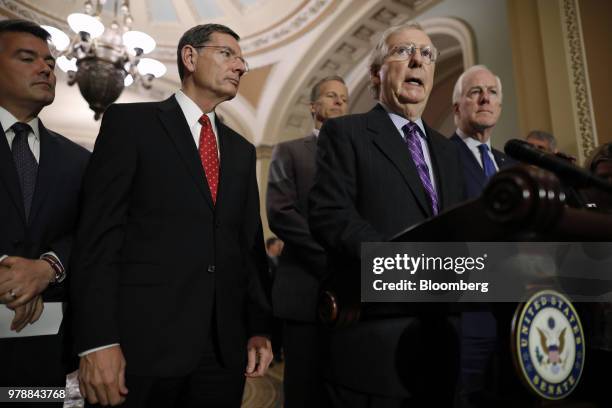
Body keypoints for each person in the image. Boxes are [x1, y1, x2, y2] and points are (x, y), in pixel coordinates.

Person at [70, 23, 272, 408]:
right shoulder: (131, 125)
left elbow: (248, 246)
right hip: (141, 348)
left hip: (222, 352)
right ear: (190, 57)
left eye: (242, 58)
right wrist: (97, 340)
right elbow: (98, 239)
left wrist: (258, 326)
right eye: (228, 53)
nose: (240, 66)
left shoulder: (242, 150)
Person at [308, 23, 464, 407]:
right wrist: (404, 267)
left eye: (427, 54)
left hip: (443, 338)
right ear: (377, 74)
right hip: (376, 337)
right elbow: (331, 215)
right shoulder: (346, 133)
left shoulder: (448, 151)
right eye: (403, 51)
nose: (418, 60)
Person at [0, 19, 89, 405]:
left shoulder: (79, 160)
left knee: (34, 401)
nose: (46, 69)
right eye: (27, 58)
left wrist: (46, 268)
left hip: (45, 353)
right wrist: (9, 272)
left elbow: (90, 232)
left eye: (50, 62)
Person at [267, 75, 348, 407]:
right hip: (305, 290)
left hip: (352, 294)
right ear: (314, 107)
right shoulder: (289, 151)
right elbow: (281, 212)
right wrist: (332, 255)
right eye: (332, 96)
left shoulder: (358, 155)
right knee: (304, 389)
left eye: (344, 97)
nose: (340, 102)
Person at [450, 65, 516, 199]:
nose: (485, 98)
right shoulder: (442, 155)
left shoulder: (511, 165)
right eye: (475, 91)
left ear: (499, 107)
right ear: (457, 108)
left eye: (492, 92)